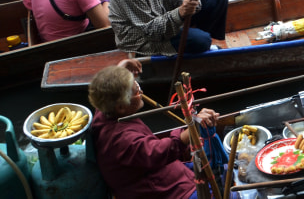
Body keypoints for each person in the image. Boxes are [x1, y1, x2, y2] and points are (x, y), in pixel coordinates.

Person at [89, 60, 232, 199]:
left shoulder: (104, 109)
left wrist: (121, 69)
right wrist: (192, 131)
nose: (141, 90)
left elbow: (109, 88)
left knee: (224, 172)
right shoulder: (123, 141)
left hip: (165, 170)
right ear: (120, 107)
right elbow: (159, 151)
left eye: (137, 84)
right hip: (160, 189)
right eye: (136, 91)